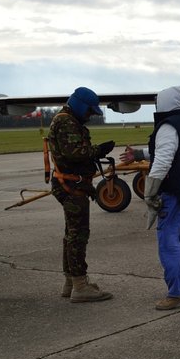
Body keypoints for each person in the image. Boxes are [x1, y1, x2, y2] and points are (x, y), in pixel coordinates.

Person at [46, 86, 115, 302]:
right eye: (89, 112)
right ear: (81, 106)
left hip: (71, 184)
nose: (90, 116)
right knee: (78, 236)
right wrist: (98, 151)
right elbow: (75, 153)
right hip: (71, 186)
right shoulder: (66, 122)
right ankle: (80, 285)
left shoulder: (66, 119)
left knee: (71, 234)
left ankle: (71, 282)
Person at [144, 86, 180, 310]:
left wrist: (150, 191)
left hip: (174, 192)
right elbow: (174, 152)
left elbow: (163, 160)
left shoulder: (168, 126)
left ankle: (177, 292)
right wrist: (141, 153)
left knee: (169, 241)